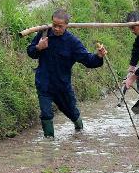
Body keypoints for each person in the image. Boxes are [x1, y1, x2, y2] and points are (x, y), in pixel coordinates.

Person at [27, 8, 107, 138]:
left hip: (62, 86)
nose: (56, 29)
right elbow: (31, 52)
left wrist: (98, 56)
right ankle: (49, 143)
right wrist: (38, 47)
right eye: (54, 25)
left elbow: (88, 60)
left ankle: (80, 130)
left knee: (72, 113)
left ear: (66, 26)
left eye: (60, 26)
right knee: (46, 113)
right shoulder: (43, 34)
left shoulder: (73, 43)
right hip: (44, 83)